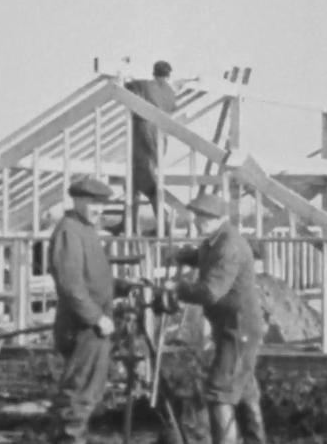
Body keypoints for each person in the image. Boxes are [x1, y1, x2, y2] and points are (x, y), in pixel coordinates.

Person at [162, 194, 266, 444]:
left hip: (238, 328)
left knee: (220, 391)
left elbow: (210, 292)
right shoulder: (214, 241)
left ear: (221, 218)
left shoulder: (229, 245)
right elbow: (203, 256)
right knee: (243, 389)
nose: (198, 221)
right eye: (197, 216)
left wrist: (177, 288)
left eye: (204, 217)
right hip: (230, 326)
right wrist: (181, 255)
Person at [48, 177, 133, 444]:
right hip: (83, 327)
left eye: (102, 205)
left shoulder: (86, 230)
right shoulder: (68, 231)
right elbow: (70, 284)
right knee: (79, 391)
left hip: (94, 327)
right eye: (93, 203)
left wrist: (123, 286)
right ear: (77, 201)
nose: (99, 210)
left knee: (89, 390)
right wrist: (95, 317)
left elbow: (92, 279)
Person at [109, 60, 178, 236]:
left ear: (154, 73)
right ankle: (127, 222)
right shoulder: (171, 93)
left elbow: (125, 89)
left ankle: (162, 222)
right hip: (160, 142)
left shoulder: (146, 86)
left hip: (143, 139)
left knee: (145, 183)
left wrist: (124, 76)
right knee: (133, 183)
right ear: (169, 75)